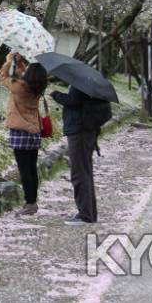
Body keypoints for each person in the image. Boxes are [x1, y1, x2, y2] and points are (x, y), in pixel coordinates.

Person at [51, 81, 110, 225]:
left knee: (79, 174)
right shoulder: (87, 82)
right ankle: (90, 213)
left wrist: (55, 94)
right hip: (85, 130)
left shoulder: (79, 84)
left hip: (79, 131)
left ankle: (85, 215)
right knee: (85, 172)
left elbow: (72, 100)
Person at [0, 52, 45, 215]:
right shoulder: (37, 87)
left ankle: (30, 203)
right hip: (34, 132)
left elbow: (3, 77)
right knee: (31, 168)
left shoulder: (19, 87)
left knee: (24, 170)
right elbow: (25, 75)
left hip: (20, 132)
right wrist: (19, 64)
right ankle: (33, 201)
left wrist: (8, 61)